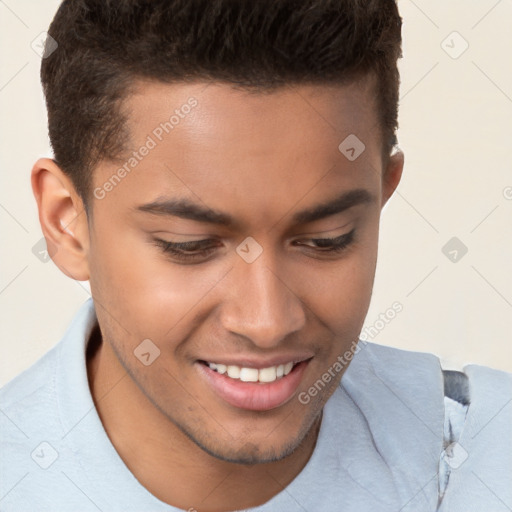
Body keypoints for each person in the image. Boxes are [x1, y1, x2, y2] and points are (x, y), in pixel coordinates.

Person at [1, 1, 511, 511]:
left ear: (381, 195)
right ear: (67, 224)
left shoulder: (489, 456)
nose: (267, 322)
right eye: (190, 246)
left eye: (326, 239)